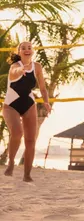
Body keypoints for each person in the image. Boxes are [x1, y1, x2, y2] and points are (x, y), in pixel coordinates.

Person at [2, 41, 51, 182]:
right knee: (17, 133)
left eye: (29, 47)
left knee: (30, 140)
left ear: (33, 51)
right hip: (11, 105)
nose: (27, 49)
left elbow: (42, 88)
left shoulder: (37, 67)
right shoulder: (15, 66)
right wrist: (21, 71)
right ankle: (11, 162)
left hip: (29, 104)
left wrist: (46, 101)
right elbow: (14, 73)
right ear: (19, 52)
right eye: (23, 48)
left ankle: (27, 175)